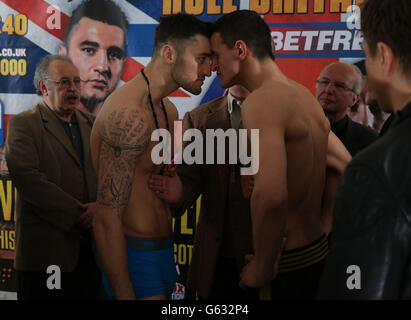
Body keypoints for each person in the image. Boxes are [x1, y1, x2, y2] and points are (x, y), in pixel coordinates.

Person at [90, 13, 213, 300]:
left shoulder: (167, 110)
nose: (210, 69)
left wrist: (176, 194)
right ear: (169, 54)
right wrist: (124, 293)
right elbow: (106, 219)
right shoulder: (128, 114)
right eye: (202, 58)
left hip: (165, 255)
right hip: (133, 259)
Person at [317, 0, 411, 299]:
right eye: (324, 82)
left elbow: (355, 289)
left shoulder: (374, 167)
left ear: (383, 57)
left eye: (366, 55)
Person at [149, 84, 258, 300]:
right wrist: (178, 192)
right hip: (216, 261)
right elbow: (189, 180)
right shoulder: (198, 118)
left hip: (269, 257)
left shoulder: (284, 110)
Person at [5, 55, 101, 299]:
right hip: (46, 256)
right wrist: (81, 214)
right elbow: (29, 180)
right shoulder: (23, 125)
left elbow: (109, 174)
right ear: (43, 87)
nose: (73, 89)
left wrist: (101, 208)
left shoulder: (93, 124)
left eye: (77, 82)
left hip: (92, 255)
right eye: (64, 82)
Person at [59, 0, 129, 115]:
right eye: (89, 50)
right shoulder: (36, 127)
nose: (103, 66)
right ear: (62, 57)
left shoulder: (133, 127)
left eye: (114, 55)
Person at [316, 62, 378, 156]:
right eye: (325, 82)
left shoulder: (370, 142)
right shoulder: (295, 130)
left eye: (339, 86)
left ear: (354, 99)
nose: (328, 90)